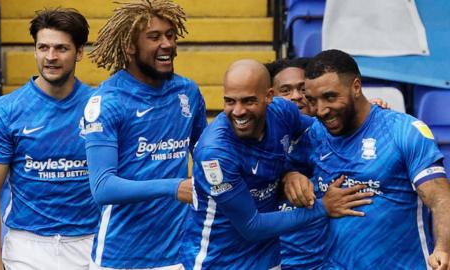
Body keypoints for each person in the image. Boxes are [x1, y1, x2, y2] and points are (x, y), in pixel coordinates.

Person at [180, 59, 373, 269]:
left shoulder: (283, 113)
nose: (237, 111)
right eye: (230, 101)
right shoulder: (215, 153)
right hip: (218, 263)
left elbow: (322, 131)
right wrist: (323, 207)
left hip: (268, 260)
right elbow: (251, 227)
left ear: (269, 97)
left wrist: (369, 117)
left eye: (248, 101)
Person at [286, 49, 450, 269]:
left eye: (330, 97)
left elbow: (440, 199)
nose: (320, 110)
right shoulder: (312, 135)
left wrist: (443, 248)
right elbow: (277, 175)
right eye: (312, 100)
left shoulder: (403, 131)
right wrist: (289, 175)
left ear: (356, 87)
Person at [84, 0, 207, 269]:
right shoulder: (108, 101)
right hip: (120, 258)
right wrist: (174, 187)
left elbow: (207, 155)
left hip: (181, 254)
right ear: (130, 46)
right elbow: (102, 187)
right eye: (154, 37)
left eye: (170, 36)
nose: (167, 44)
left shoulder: (188, 92)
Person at [0, 8, 100, 270]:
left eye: (61, 49)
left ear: (79, 52)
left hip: (92, 243)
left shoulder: (101, 106)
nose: (50, 57)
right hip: (27, 249)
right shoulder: (6, 110)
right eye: (43, 47)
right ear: (35, 50)